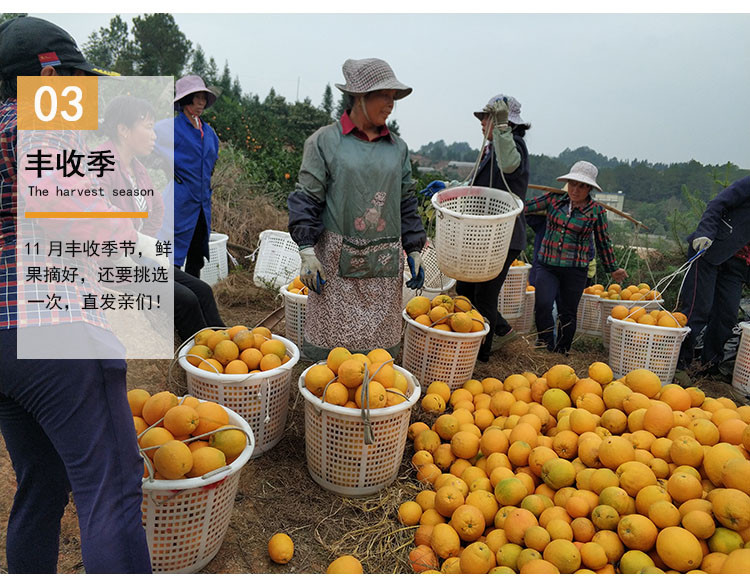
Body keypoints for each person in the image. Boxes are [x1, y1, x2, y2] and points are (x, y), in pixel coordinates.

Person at [0, 16, 152, 573]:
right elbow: (66, 209)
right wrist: (134, 242)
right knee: (111, 491)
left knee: (41, 487)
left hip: (5, 349)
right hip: (55, 334)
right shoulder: (46, 120)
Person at [288, 58, 426, 360]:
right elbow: (307, 198)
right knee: (332, 363)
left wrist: (415, 247)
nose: (390, 104)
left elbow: (406, 201)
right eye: (383, 96)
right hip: (336, 262)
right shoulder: (325, 142)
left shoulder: (397, 148)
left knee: (377, 361)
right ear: (360, 97)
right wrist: (307, 251)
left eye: (393, 97)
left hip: (384, 264)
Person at [98, 95, 225, 342]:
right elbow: (98, 222)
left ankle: (228, 343)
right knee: (185, 300)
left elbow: (156, 209)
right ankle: (202, 358)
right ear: (123, 130)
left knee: (202, 290)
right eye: (147, 128)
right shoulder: (102, 164)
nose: (154, 135)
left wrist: (146, 247)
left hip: (138, 257)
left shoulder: (137, 167)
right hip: (112, 264)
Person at [421, 95, 530, 362]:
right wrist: (448, 187)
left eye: (486, 118)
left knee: (484, 295)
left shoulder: (513, 146)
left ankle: (481, 353)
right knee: (467, 291)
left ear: (503, 122)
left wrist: (503, 128)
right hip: (483, 235)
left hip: (502, 236)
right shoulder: (491, 149)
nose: (481, 123)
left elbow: (509, 166)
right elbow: (475, 187)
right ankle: (498, 331)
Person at [525, 161, 628, 354]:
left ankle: (562, 351)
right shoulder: (554, 200)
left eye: (582, 186)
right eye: (573, 184)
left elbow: (603, 241)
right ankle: (545, 345)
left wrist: (613, 268)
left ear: (589, 188)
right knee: (543, 304)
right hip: (547, 265)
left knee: (567, 312)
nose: (576, 189)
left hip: (575, 270)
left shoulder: (596, 211)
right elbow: (526, 207)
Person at [678, 176, 750, 371]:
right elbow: (717, 203)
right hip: (710, 249)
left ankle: (710, 365)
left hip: (738, 263)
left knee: (726, 315)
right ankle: (679, 362)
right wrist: (706, 232)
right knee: (697, 309)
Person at [155, 75, 219, 278]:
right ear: (185, 100)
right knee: (172, 252)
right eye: (196, 98)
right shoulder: (169, 127)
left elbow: (212, 162)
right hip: (179, 199)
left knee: (196, 253)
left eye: (203, 98)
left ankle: (192, 297)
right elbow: (145, 142)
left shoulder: (209, 132)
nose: (200, 102)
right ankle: (171, 301)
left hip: (201, 203)